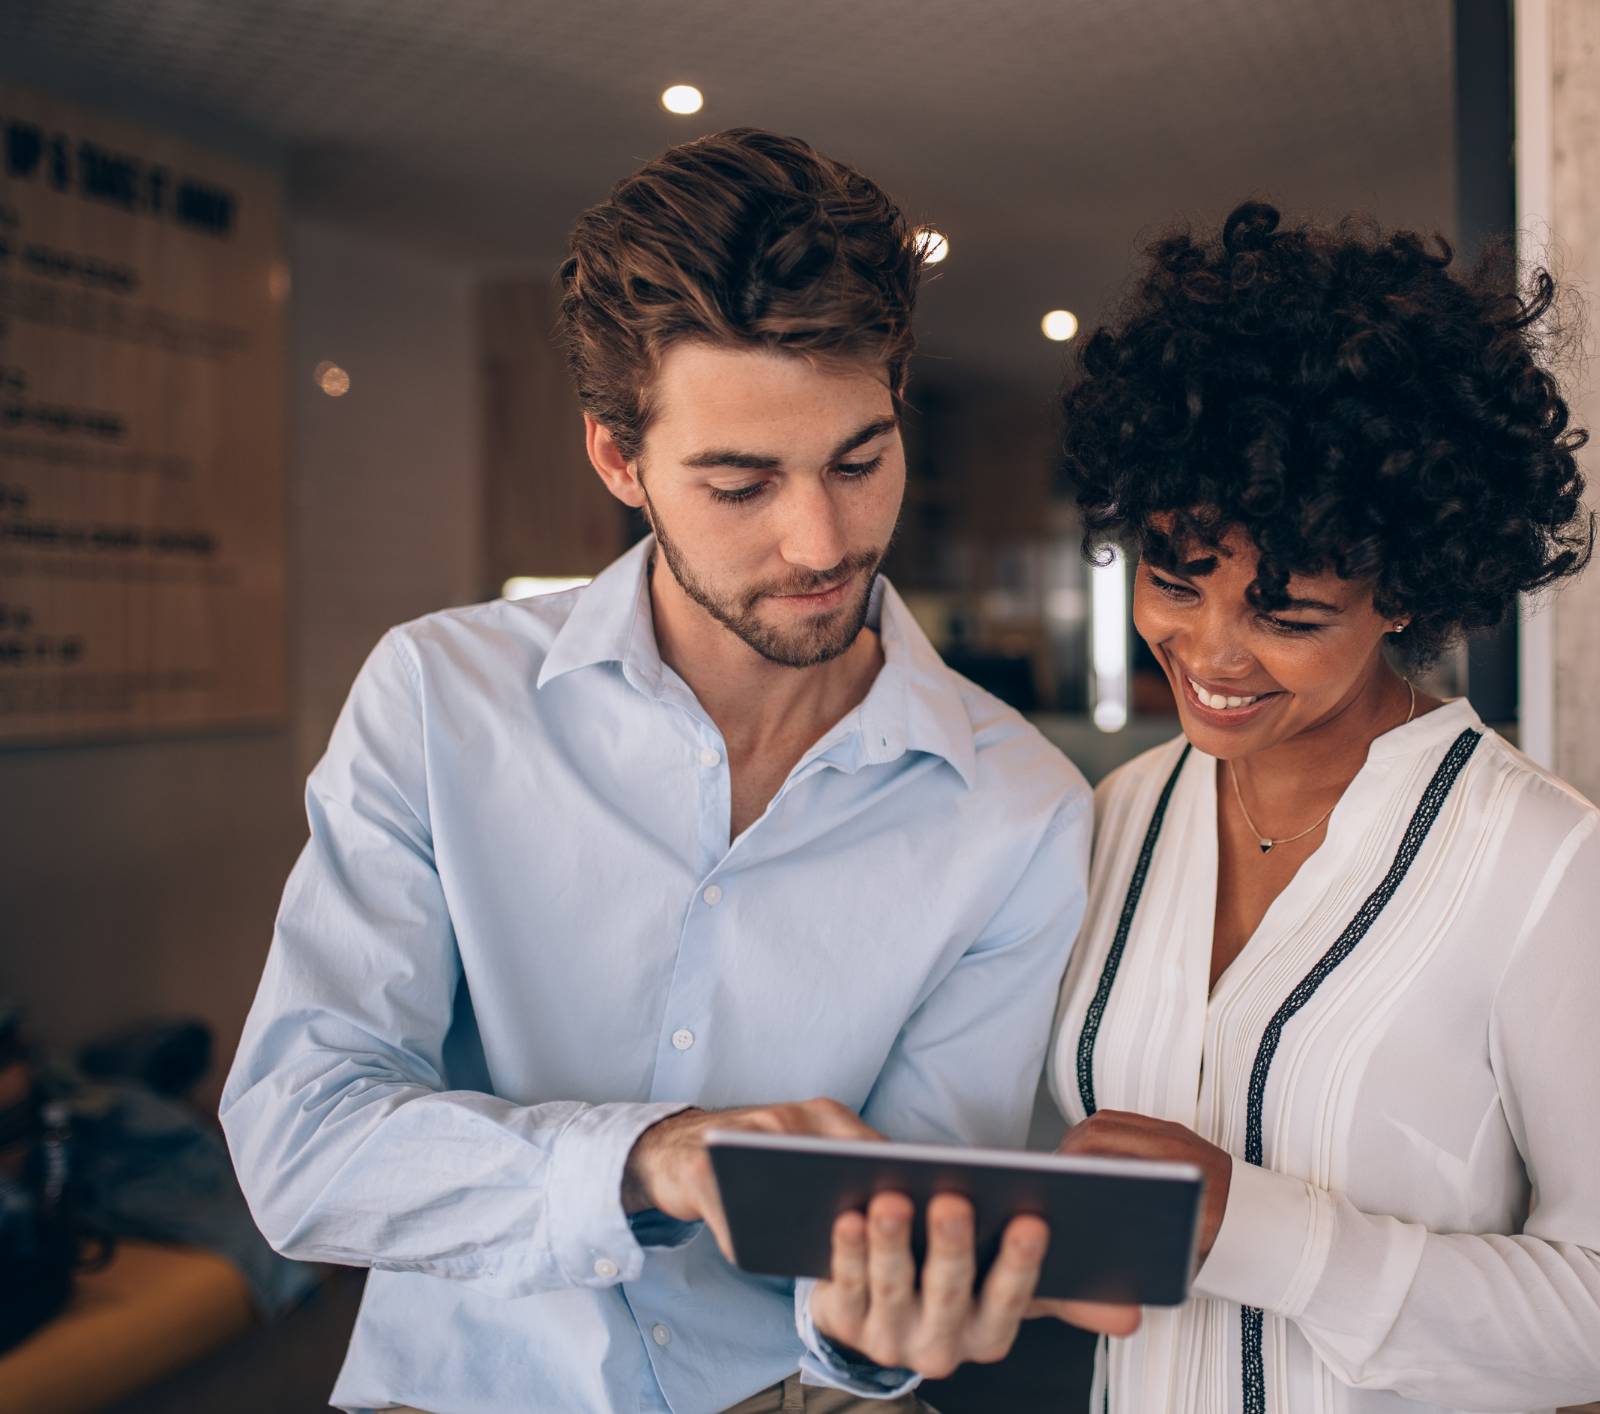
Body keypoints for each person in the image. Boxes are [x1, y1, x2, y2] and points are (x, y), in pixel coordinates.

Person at [221, 129, 1124, 1414]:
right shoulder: (439, 699)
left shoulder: (1019, 806)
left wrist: (883, 1329)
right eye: (740, 483)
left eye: (858, 462)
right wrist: (648, 1160)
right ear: (616, 459)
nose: (820, 540)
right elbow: (300, 1143)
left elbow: (902, 1240)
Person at [1041, 205, 1600, 1413]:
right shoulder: (1118, 816)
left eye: (1284, 616)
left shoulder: (1548, 867)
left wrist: (1254, 1228)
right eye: (1171, 581)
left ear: (1405, 587)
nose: (1206, 653)